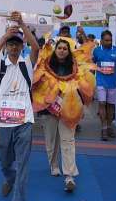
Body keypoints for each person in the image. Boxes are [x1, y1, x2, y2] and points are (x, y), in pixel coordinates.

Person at [0, 12, 39, 201]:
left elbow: (36, 48)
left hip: (25, 121)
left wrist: (22, 24)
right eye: (11, 44)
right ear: (6, 47)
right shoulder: (1, 66)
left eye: (17, 44)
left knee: (23, 161)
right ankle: (10, 178)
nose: (14, 47)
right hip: (4, 122)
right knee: (4, 159)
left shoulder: (27, 64)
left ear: (21, 46)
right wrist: (5, 36)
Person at [31, 39, 96, 192]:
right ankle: (53, 164)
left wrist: (81, 108)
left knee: (68, 140)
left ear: (68, 51)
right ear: (55, 50)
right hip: (49, 108)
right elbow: (37, 85)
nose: (61, 50)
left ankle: (69, 175)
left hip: (69, 108)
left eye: (64, 49)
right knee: (51, 140)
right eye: (59, 48)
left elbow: (82, 88)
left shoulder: (76, 67)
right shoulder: (44, 64)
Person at [92, 30, 116, 141]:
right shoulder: (96, 51)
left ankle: (109, 126)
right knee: (102, 103)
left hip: (113, 83)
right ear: (101, 40)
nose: (109, 42)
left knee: (110, 105)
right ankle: (104, 128)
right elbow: (92, 65)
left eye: (110, 40)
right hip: (101, 82)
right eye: (106, 40)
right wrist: (91, 81)